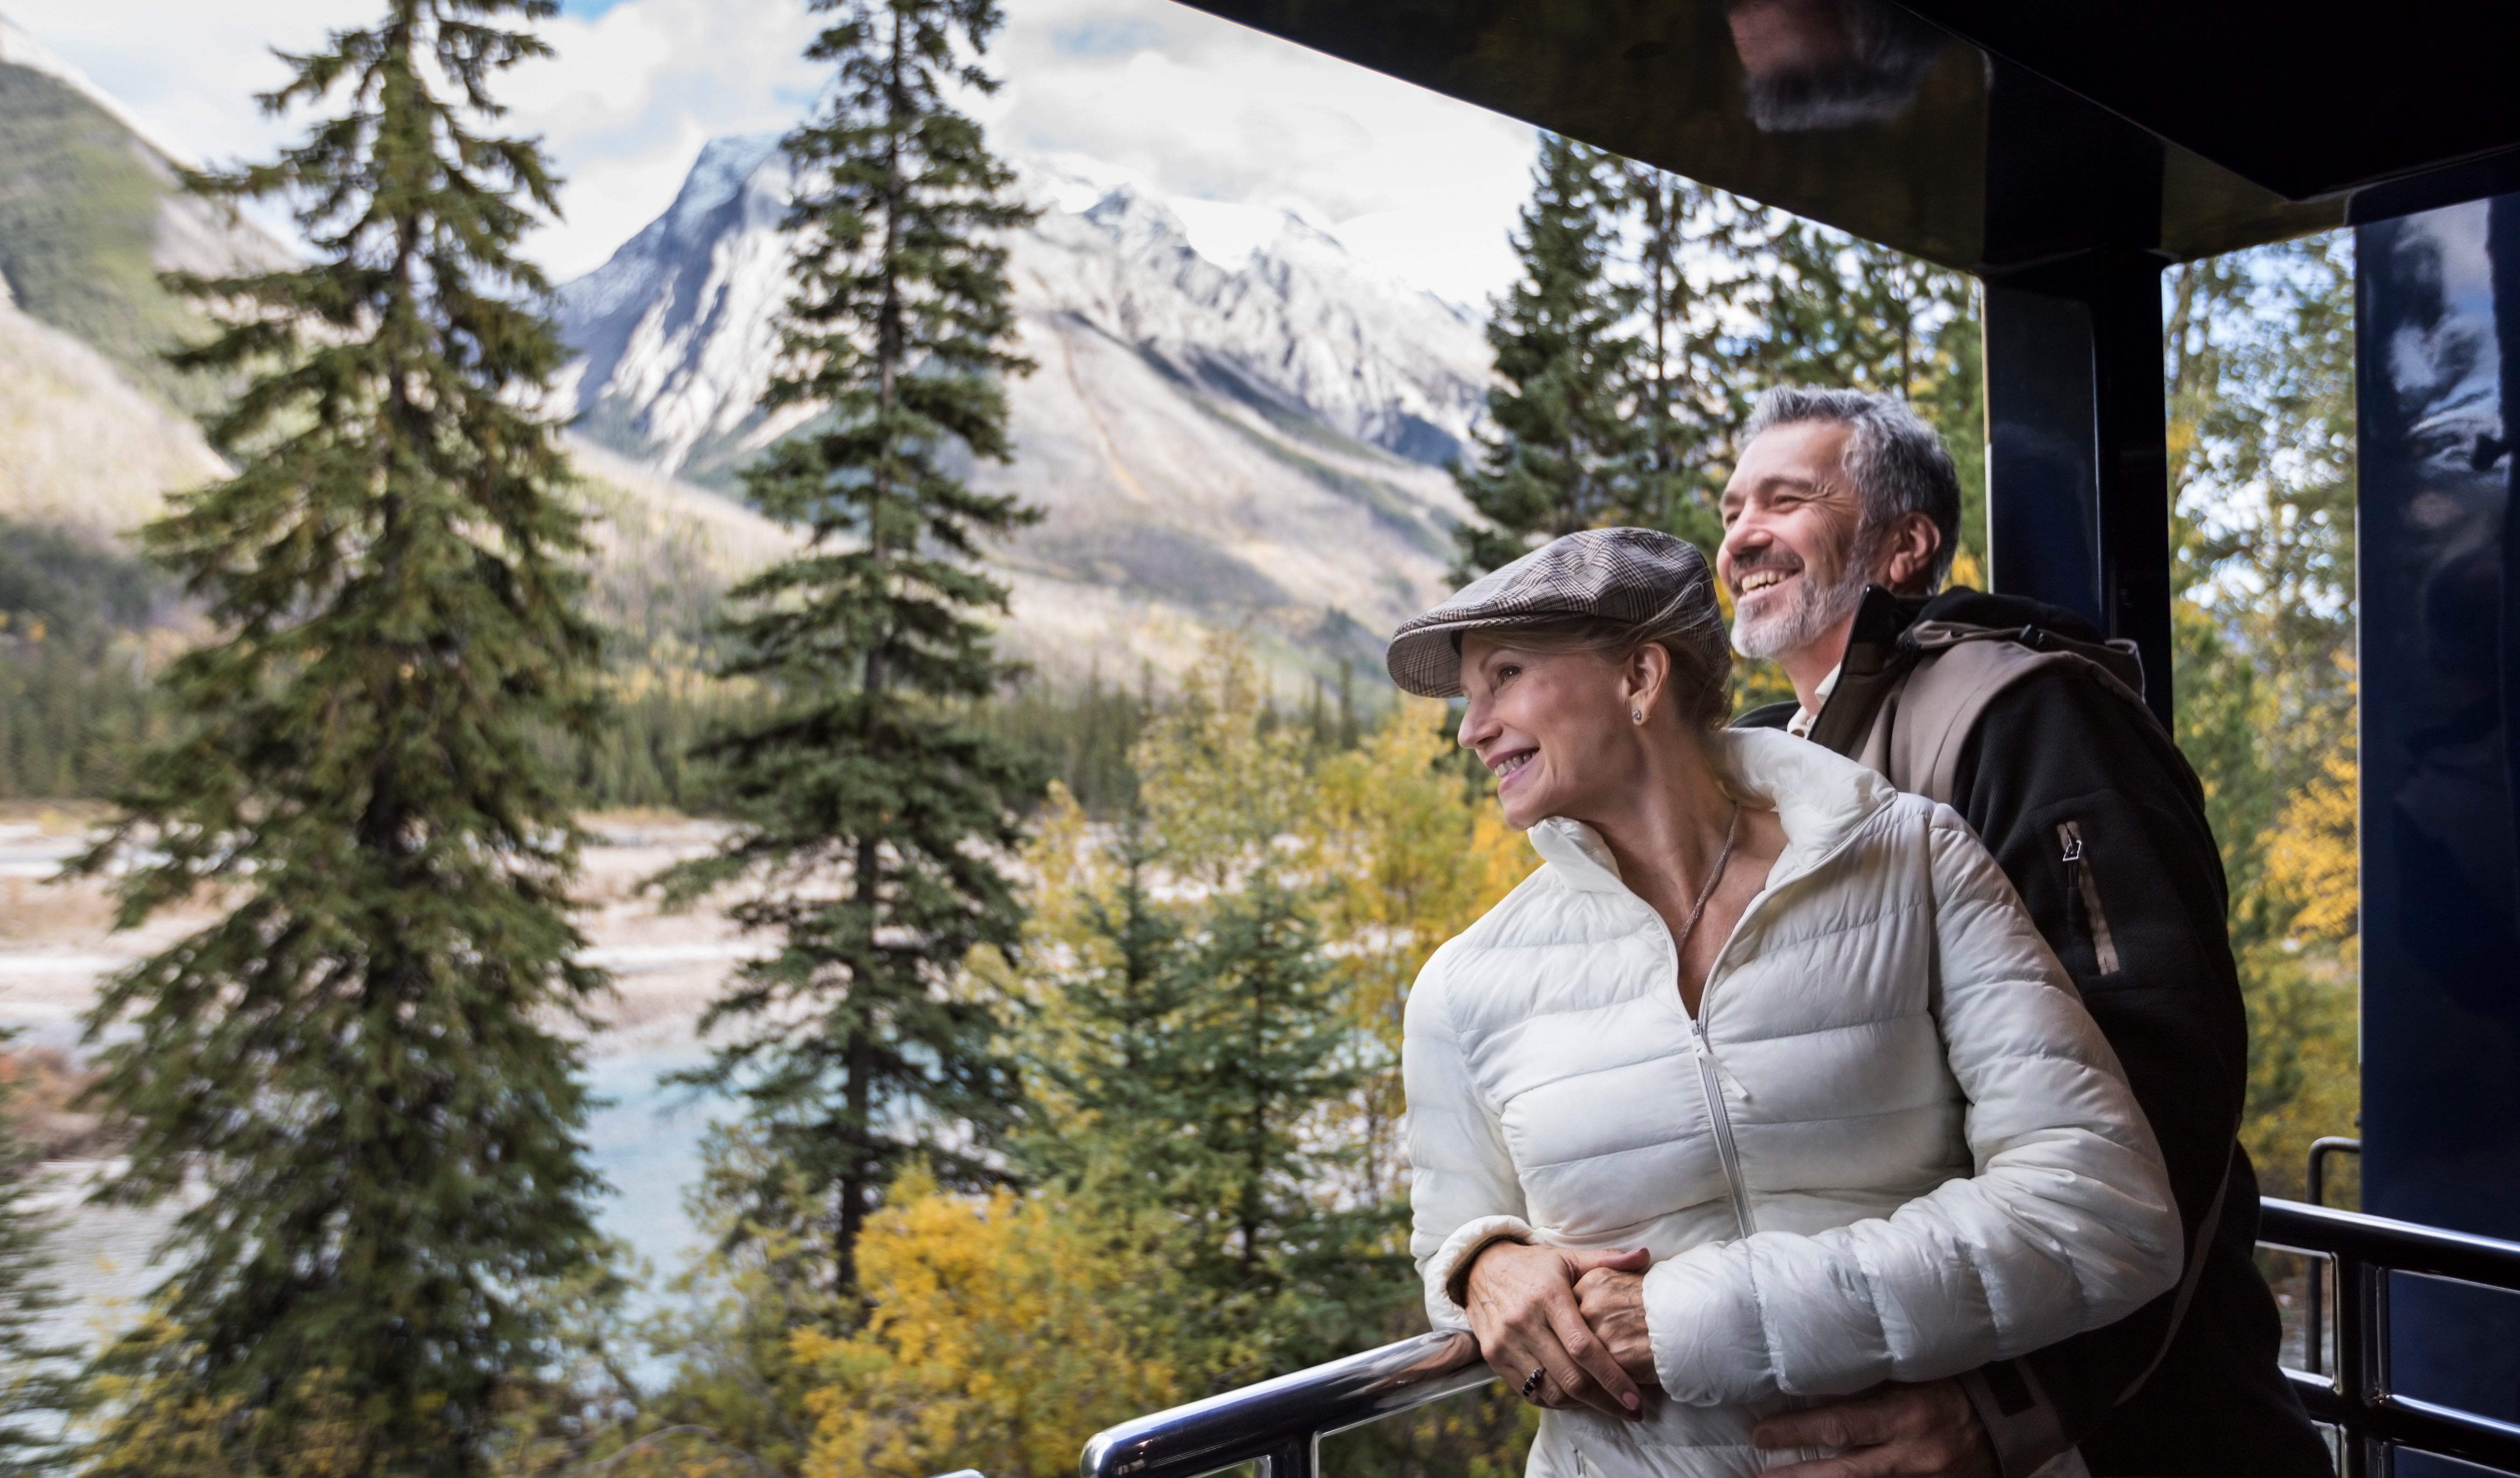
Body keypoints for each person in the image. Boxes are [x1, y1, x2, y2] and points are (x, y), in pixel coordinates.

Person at [1388, 527, 2182, 1478]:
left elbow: (2104, 1209)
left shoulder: (1915, 864)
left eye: (1505, 676)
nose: (1473, 727)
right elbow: (1451, 1242)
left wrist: (1696, 1319)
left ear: (1640, 677)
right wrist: (1485, 1265)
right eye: (1470, 696)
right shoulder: (1465, 984)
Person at [1717, 386, 2335, 1477]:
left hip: (2128, 1424)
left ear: (1907, 546)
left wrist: (2022, 1401)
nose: (1742, 535)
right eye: (1729, 510)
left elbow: (2158, 1077)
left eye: (1787, 498)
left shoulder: (2023, 712)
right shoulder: (1775, 766)